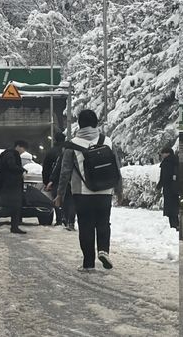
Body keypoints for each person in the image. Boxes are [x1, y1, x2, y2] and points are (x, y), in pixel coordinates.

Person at [55, 110, 123, 272]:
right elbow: (117, 168)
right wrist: (119, 190)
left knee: (85, 226)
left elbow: (65, 172)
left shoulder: (72, 145)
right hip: (105, 192)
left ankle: (88, 263)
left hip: (82, 193)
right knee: (103, 222)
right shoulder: (107, 141)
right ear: (96, 123)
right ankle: (103, 251)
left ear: (79, 124)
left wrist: (60, 195)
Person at [0, 140, 29, 234]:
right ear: (18, 146)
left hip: (11, 185)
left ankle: (14, 227)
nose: (23, 152)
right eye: (23, 149)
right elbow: (11, 166)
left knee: (16, 207)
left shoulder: (8, 153)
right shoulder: (10, 154)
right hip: (10, 186)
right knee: (12, 207)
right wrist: (22, 170)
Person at [47, 146, 77, 231]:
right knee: (72, 203)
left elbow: (58, 169)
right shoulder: (78, 154)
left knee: (66, 201)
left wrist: (52, 180)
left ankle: (64, 219)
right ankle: (71, 222)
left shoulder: (64, 155)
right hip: (76, 182)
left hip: (66, 182)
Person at [42, 132, 67, 226]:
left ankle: (59, 219)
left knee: (57, 199)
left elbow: (46, 168)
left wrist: (46, 181)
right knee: (67, 199)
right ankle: (68, 219)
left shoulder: (51, 152)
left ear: (55, 139)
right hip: (68, 180)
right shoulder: (68, 150)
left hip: (55, 180)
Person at [156, 147, 179, 230]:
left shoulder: (167, 162)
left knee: (171, 210)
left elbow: (165, 176)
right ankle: (177, 224)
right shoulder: (176, 161)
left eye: (162, 153)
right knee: (175, 208)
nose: (161, 155)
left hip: (169, 189)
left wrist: (159, 186)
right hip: (176, 189)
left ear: (167, 153)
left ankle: (174, 226)